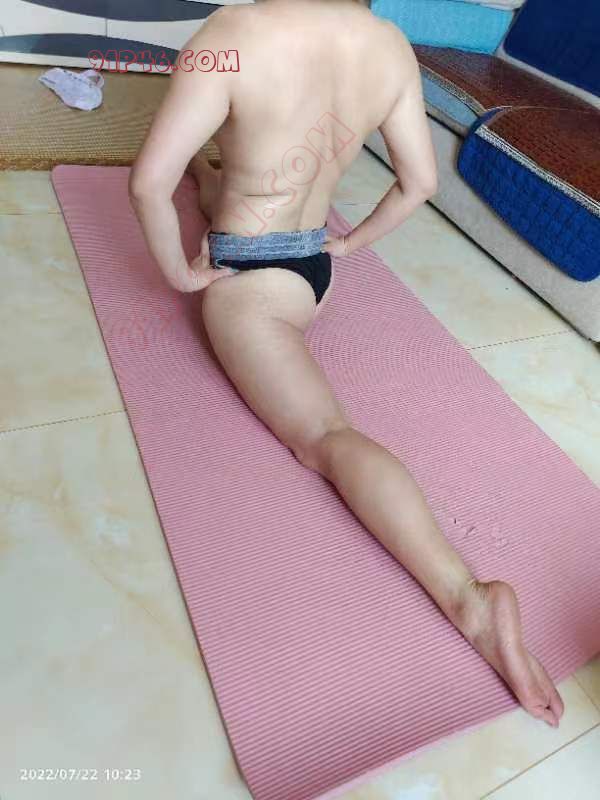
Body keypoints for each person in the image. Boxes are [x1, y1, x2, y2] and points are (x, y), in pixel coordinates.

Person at [129, 0, 564, 727]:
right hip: (313, 269)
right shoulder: (390, 44)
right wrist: (349, 244)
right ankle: (213, 180)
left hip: (251, 289)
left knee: (326, 437)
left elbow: (146, 181)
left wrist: (180, 275)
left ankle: (468, 598)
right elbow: (419, 184)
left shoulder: (231, 32)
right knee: (222, 185)